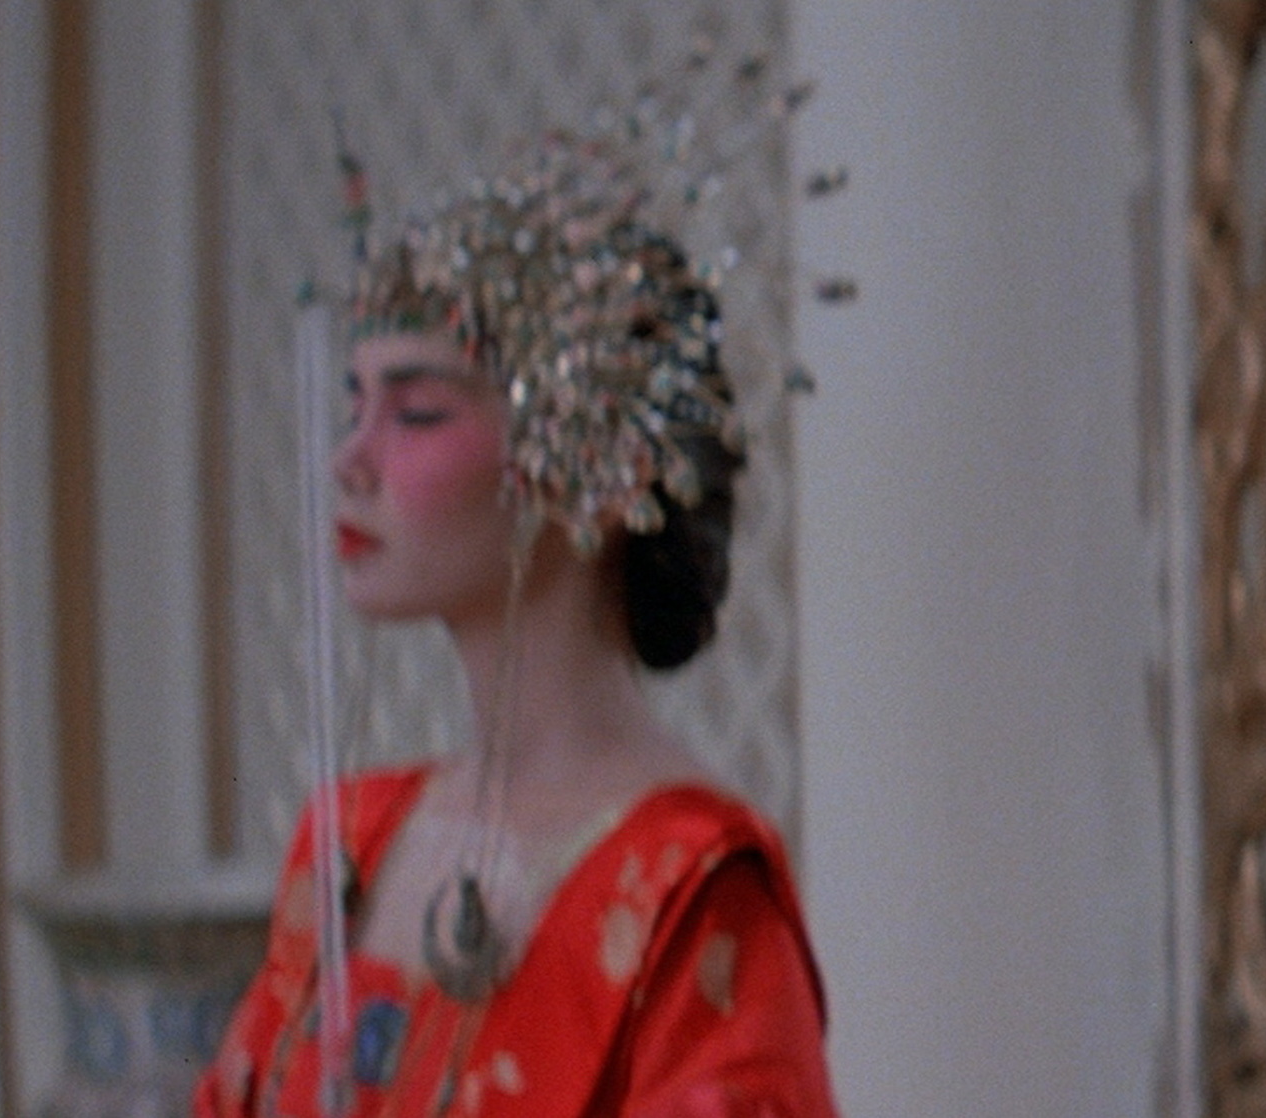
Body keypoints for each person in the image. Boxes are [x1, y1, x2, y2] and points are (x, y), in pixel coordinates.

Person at [199, 124, 836, 1117]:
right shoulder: (349, 838)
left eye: (417, 413)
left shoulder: (686, 887)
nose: (348, 460)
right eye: (354, 405)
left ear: (599, 468)